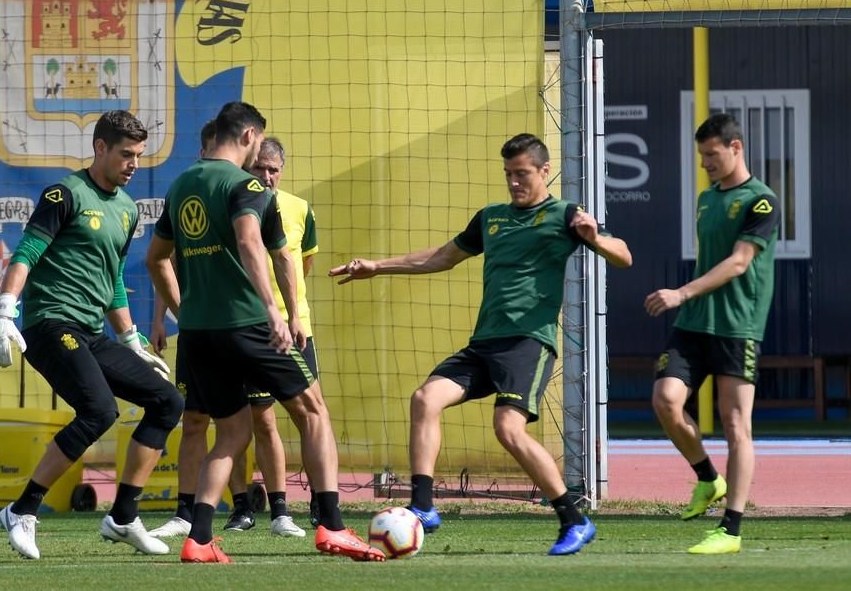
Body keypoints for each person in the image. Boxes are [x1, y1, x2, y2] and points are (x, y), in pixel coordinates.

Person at [329, 133, 632, 556]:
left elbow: (623, 255)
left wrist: (595, 239)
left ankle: (574, 519)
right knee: (424, 399)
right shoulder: (491, 218)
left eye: (522, 173)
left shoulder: (565, 215)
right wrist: (377, 267)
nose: (513, 182)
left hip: (527, 342)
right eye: (508, 174)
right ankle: (423, 506)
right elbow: (440, 257)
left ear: (545, 171)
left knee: (507, 428)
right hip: (484, 344)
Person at [146, 101, 383, 563]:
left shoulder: (182, 185)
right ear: (251, 135)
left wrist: (184, 310)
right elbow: (258, 245)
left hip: (199, 333)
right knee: (313, 412)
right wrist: (279, 312)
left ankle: (198, 539)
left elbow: (156, 258)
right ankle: (332, 527)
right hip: (248, 323)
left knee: (231, 434)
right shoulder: (245, 185)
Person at [0, 109, 185, 560]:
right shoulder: (65, 193)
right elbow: (27, 253)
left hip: (92, 332)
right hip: (50, 324)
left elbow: (111, 279)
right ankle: (23, 510)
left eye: (138, 156)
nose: (134, 164)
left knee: (168, 401)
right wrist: (4, 311)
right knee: (99, 410)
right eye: (125, 154)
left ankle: (123, 517)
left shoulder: (128, 209)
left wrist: (131, 340)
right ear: (99, 148)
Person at [148, 132, 314, 540]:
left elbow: (295, 265)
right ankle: (212, 512)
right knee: (203, 422)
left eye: (274, 170)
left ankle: (282, 511)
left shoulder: (295, 208)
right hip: (215, 326)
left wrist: (289, 313)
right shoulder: (222, 194)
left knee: (268, 418)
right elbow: (167, 261)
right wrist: (163, 317)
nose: (267, 176)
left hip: (269, 327)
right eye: (261, 167)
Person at [645, 113, 779, 555]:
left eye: (712, 154)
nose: (705, 163)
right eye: (701, 155)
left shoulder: (762, 201)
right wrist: (688, 301)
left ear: (736, 147)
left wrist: (681, 292)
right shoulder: (706, 198)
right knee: (666, 400)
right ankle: (707, 477)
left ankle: (732, 530)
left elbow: (740, 262)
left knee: (736, 424)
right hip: (694, 323)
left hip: (738, 326)